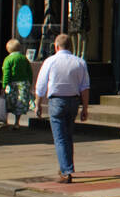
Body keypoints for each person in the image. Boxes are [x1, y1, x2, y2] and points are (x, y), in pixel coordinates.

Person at [35, 33, 90, 184]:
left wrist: (37, 103)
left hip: (57, 102)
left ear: (56, 46)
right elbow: (85, 87)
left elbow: (41, 85)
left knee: (60, 138)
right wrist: (85, 108)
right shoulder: (80, 62)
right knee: (68, 136)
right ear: (71, 47)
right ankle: (65, 166)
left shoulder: (50, 61)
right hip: (73, 101)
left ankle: (66, 171)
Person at [0, 39, 34, 129]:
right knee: (20, 103)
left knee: (7, 102)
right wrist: (29, 82)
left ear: (8, 49)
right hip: (23, 84)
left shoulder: (8, 59)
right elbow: (29, 72)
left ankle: (5, 121)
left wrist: (4, 85)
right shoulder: (24, 58)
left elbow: (6, 74)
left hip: (12, 84)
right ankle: (17, 123)